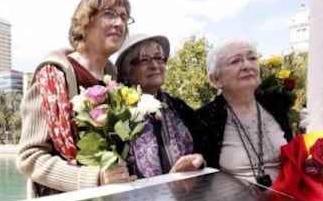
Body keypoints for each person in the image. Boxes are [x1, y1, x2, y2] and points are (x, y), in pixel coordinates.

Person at [16, 0, 136, 198]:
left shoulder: (116, 80)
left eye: (124, 17)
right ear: (84, 22)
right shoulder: (54, 76)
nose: (119, 23)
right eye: (109, 14)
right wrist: (94, 178)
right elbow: (29, 158)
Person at [195, 38, 293, 188]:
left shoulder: (275, 106)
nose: (247, 65)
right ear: (215, 79)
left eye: (252, 58)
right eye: (235, 61)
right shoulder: (205, 119)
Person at [115, 33, 204, 178]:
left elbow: (203, 151)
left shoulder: (178, 108)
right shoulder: (115, 112)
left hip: (184, 196)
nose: (155, 65)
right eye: (144, 60)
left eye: (159, 58)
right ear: (126, 70)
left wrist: (197, 161)